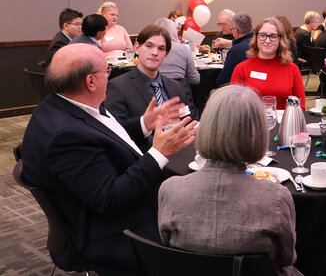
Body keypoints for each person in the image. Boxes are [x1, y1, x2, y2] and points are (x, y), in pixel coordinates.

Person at [21, 43, 196, 276]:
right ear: (90, 82)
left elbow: (103, 139)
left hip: (100, 210)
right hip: (111, 233)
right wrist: (160, 153)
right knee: (201, 225)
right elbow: (111, 199)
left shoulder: (60, 105)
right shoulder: (66, 136)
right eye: (107, 71)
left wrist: (145, 123)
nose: (110, 76)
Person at [158, 86, 301, 276]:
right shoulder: (276, 198)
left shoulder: (170, 190)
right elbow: (286, 258)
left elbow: (167, 247)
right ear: (257, 133)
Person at [106, 25, 197, 151]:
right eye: (149, 46)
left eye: (161, 48)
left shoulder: (176, 86)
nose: (155, 52)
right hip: (145, 156)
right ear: (137, 48)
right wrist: (144, 123)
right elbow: (115, 132)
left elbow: (189, 119)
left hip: (181, 152)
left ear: (165, 55)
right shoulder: (118, 87)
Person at [231, 17, 305, 110]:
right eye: (263, 35)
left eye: (273, 36)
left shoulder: (292, 69)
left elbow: (300, 105)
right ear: (256, 38)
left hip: (283, 123)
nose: (267, 40)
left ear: (280, 40)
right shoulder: (241, 69)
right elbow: (234, 106)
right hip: (251, 123)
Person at [153, 18, 200, 112]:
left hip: (155, 97)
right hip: (181, 97)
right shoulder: (183, 49)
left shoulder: (150, 50)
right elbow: (195, 79)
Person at [216, 13, 254, 87]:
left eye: (231, 29)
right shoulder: (259, 43)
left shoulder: (236, 51)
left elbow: (224, 80)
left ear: (236, 31)